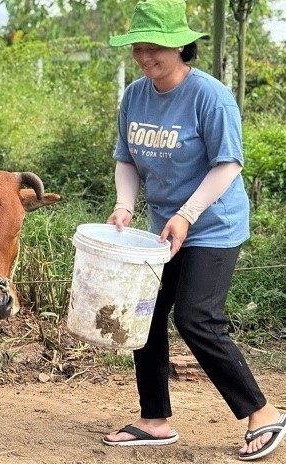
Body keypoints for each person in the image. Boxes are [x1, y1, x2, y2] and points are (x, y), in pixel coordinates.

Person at [101, 0, 286, 461]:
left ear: (182, 45)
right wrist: (125, 205)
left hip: (213, 226)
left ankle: (262, 413)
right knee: (142, 317)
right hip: (162, 228)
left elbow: (228, 164)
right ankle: (155, 419)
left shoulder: (210, 96)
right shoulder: (135, 96)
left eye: (155, 48)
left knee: (195, 318)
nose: (145, 57)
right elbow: (126, 158)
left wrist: (186, 214)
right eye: (138, 48)